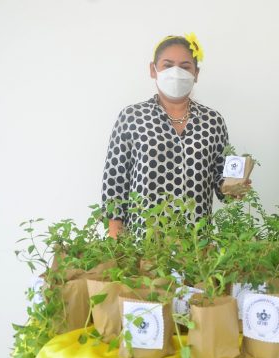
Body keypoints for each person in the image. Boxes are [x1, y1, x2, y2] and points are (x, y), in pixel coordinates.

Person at [102, 33, 240, 237]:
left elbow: (222, 183)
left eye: (185, 67)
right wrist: (115, 236)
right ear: (153, 69)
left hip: (195, 243)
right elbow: (115, 180)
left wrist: (236, 186)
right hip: (144, 240)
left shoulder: (213, 121)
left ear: (196, 74)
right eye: (168, 65)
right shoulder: (132, 117)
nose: (176, 72)